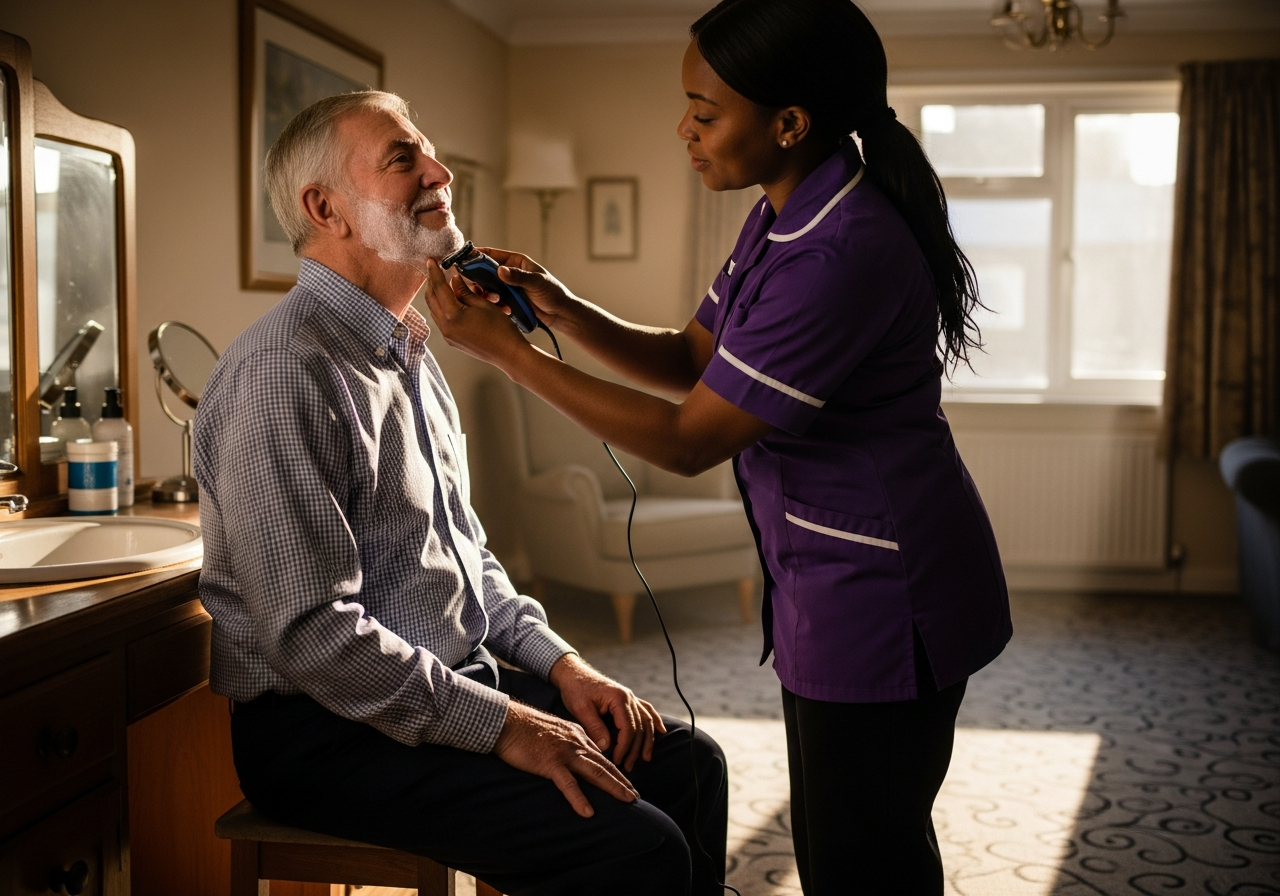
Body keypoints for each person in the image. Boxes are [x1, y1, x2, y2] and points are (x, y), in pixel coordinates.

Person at [420, 1, 1013, 893]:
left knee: (866, 856)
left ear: (788, 123)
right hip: (825, 574)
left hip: (887, 591)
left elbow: (692, 438)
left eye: (705, 113)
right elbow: (697, 357)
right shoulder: (784, 210)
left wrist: (505, 354)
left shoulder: (840, 249)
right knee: (835, 837)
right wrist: (561, 308)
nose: (683, 131)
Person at [194, 90, 728, 896]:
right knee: (637, 848)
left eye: (429, 152)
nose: (439, 172)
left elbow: (465, 556)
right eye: (403, 158)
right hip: (326, 732)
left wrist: (566, 665)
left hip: (451, 674)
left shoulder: (414, 353)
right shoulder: (284, 372)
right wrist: (506, 724)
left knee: (690, 768)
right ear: (323, 208)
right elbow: (310, 634)